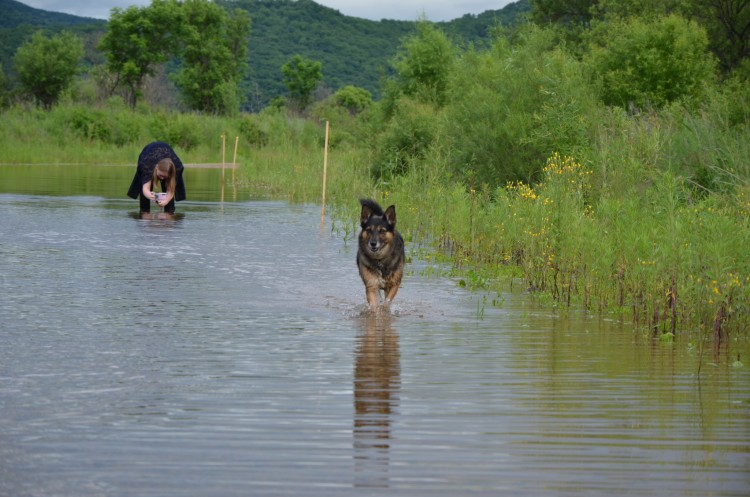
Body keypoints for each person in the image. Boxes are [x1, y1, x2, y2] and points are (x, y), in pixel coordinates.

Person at [127, 141, 186, 213]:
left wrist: (166, 201)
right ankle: (144, 213)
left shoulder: (177, 168)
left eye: (165, 177)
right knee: (144, 194)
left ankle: (169, 214)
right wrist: (151, 196)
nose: (162, 179)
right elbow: (145, 188)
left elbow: (170, 190)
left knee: (168, 196)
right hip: (148, 153)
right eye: (160, 176)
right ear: (156, 167)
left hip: (169, 155)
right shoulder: (146, 165)